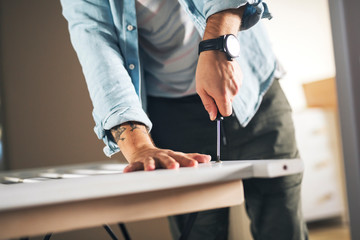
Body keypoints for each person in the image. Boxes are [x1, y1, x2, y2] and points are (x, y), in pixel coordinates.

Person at [61, 0, 308, 239]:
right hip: (173, 123)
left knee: (284, 228)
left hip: (255, 95)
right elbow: (98, 51)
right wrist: (139, 147)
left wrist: (218, 45)